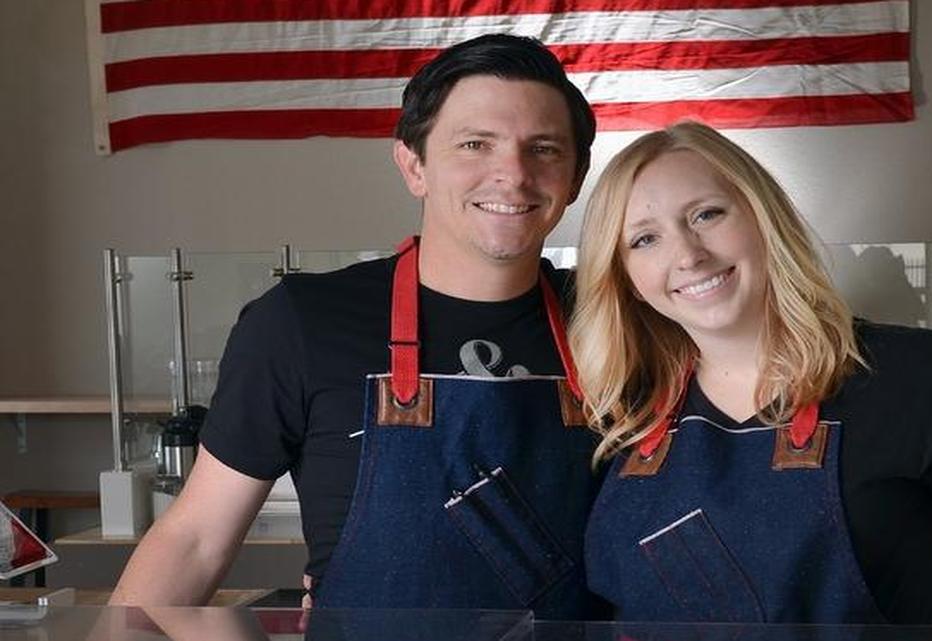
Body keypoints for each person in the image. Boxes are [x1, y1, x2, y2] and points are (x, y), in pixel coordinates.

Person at [110, 34, 606, 618]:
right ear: (413, 164)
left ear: (575, 178)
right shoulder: (300, 321)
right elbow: (195, 539)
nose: (513, 174)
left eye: (543, 149)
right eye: (475, 144)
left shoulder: (618, 322)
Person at [569, 121, 932, 626]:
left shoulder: (927, 378)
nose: (687, 254)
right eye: (644, 240)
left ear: (764, 218)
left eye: (707, 214)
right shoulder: (621, 412)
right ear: (629, 281)